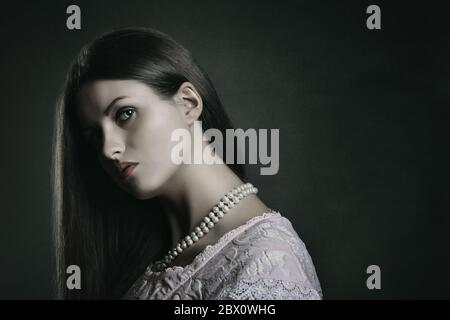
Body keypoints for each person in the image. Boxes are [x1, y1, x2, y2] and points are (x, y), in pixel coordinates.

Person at [52, 27, 322, 299]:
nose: (109, 148)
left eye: (125, 114)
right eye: (94, 136)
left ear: (188, 103)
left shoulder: (267, 266)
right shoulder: (143, 254)